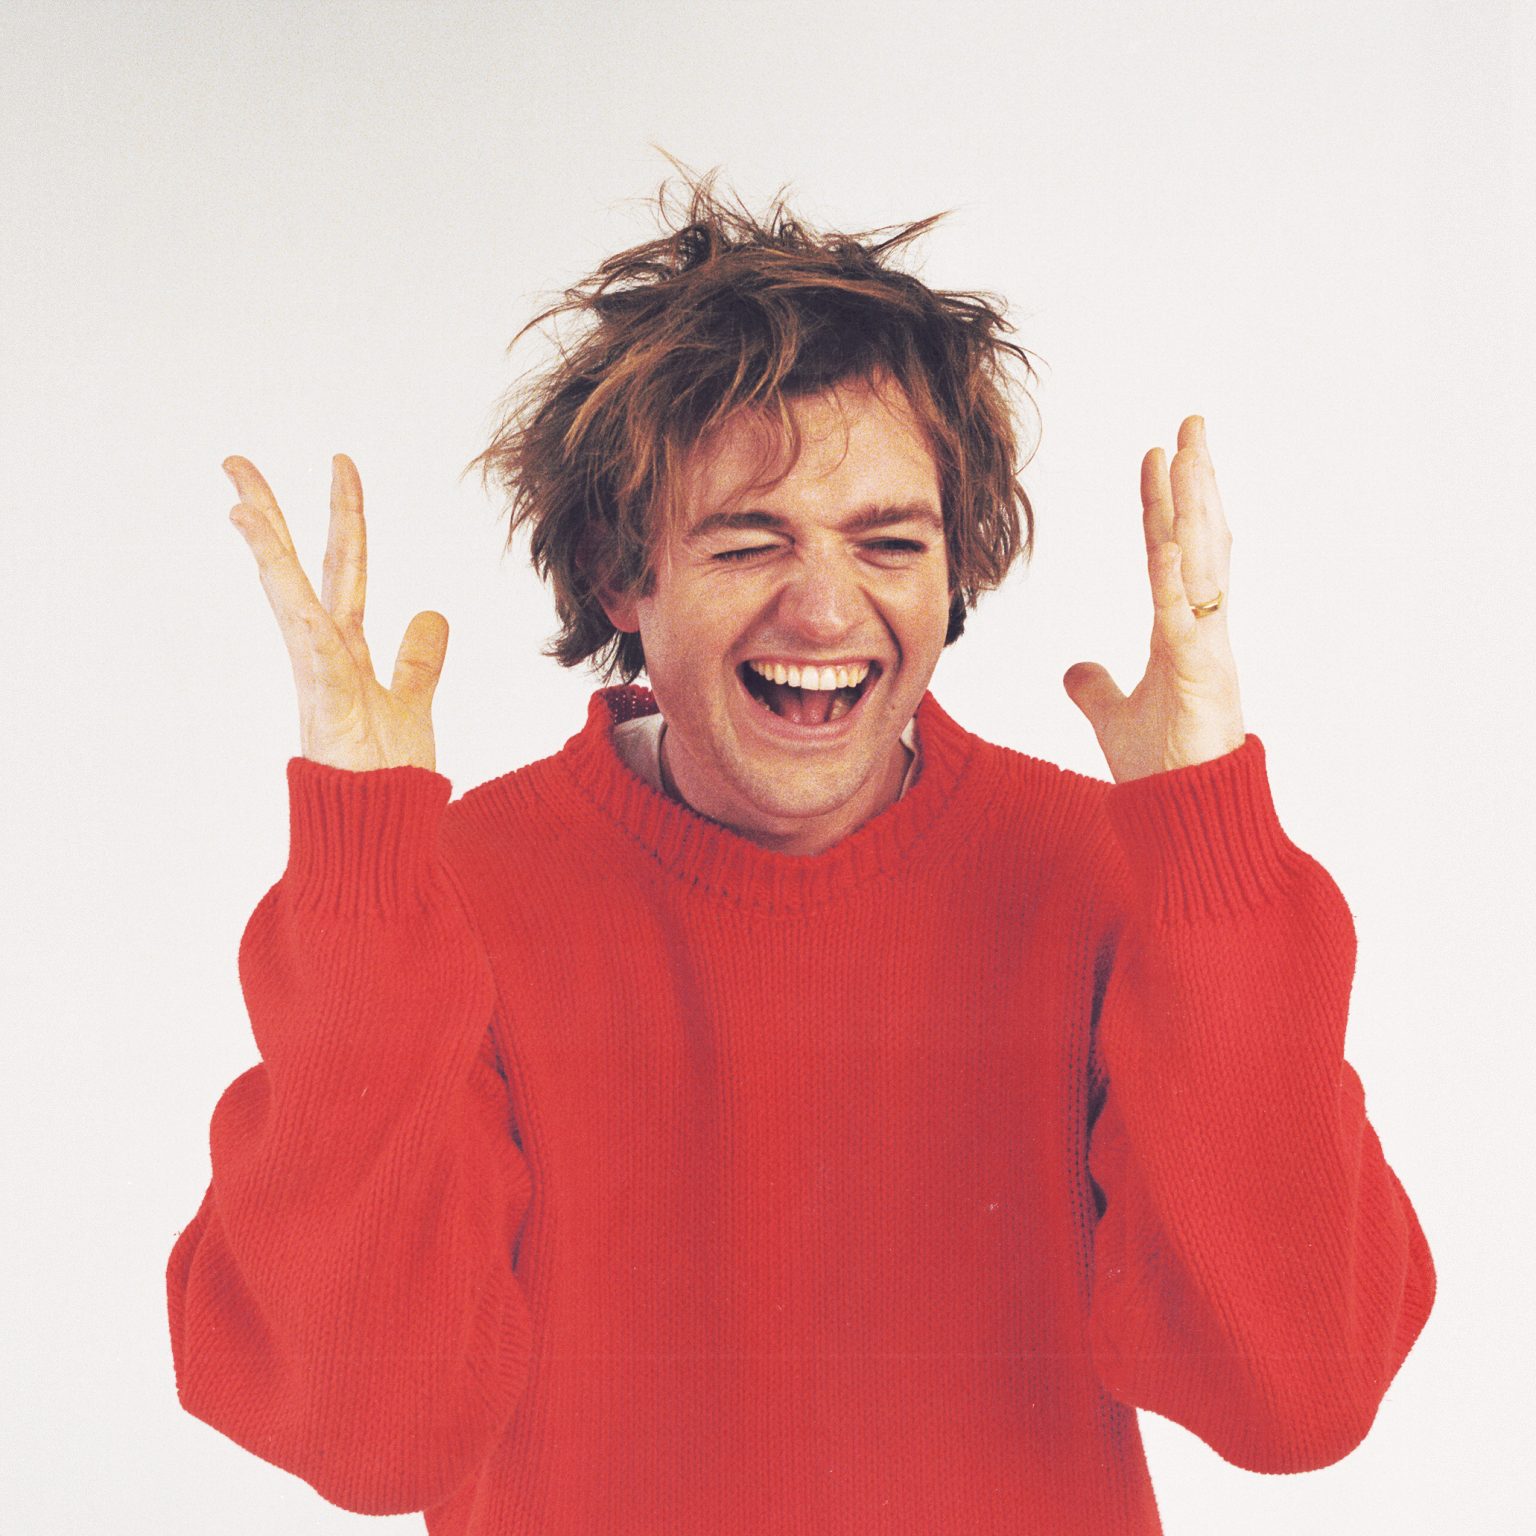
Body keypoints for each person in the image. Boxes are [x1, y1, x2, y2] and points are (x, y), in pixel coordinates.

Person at [167, 175, 1435, 1534]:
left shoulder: (1103, 878)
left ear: (953, 574)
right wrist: (365, 887)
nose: (826, 608)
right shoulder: (456, 898)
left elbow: (1296, 1398)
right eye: (747, 541)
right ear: (623, 576)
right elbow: (367, 1437)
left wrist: (1207, 842)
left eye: (889, 542)